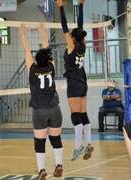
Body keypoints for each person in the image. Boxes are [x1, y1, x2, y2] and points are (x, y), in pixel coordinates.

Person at [19, 24, 63, 180]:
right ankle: (59, 165)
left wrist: (23, 34)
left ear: (36, 60)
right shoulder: (52, 67)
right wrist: (42, 31)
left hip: (39, 111)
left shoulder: (32, 69)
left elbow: (26, 50)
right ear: (49, 59)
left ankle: (42, 170)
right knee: (55, 139)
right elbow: (47, 49)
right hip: (54, 109)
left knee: (39, 141)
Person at [56, 0, 93, 161]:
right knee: (83, 114)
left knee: (75, 116)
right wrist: (81, 6)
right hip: (83, 83)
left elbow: (64, 27)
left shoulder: (71, 45)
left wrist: (61, 7)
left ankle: (78, 147)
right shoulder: (82, 46)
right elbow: (79, 26)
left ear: (72, 37)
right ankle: (89, 142)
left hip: (74, 83)